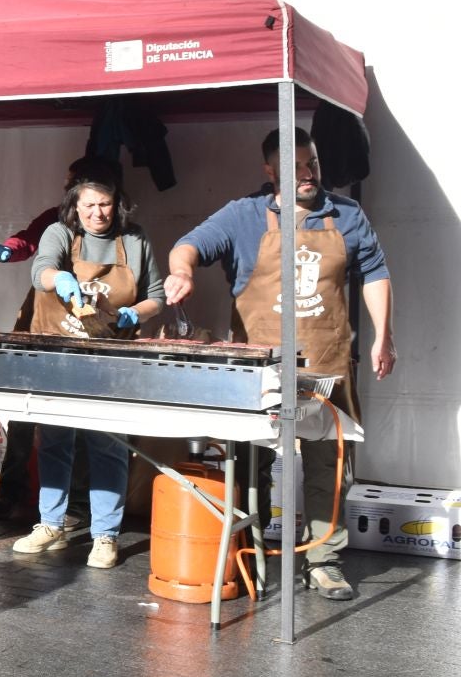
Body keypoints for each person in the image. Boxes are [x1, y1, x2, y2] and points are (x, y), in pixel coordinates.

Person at [165, 127, 395, 601]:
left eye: (312, 164)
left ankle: (323, 560)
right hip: (262, 366)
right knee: (252, 460)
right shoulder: (242, 215)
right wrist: (182, 271)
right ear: (270, 173)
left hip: (328, 361)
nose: (308, 175)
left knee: (329, 465)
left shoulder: (347, 215)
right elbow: (188, 244)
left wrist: (383, 336)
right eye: (295, 169)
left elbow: (374, 271)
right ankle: (248, 548)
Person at [10, 177, 165, 566]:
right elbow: (41, 270)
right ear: (75, 208)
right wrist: (59, 278)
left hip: (110, 357)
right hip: (59, 352)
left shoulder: (135, 240)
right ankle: (50, 524)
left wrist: (136, 312)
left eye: (106, 204)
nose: (98, 213)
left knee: (107, 444)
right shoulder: (59, 233)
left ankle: (105, 536)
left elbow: (157, 297)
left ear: (118, 204)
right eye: (90, 205)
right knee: (55, 440)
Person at [0, 155, 122, 526]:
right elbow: (27, 243)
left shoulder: (122, 232)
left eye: (73, 185)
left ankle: (77, 502)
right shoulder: (54, 219)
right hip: (41, 324)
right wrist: (9, 249)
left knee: (85, 417)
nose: (67, 192)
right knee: (25, 413)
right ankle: (12, 492)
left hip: (87, 334)